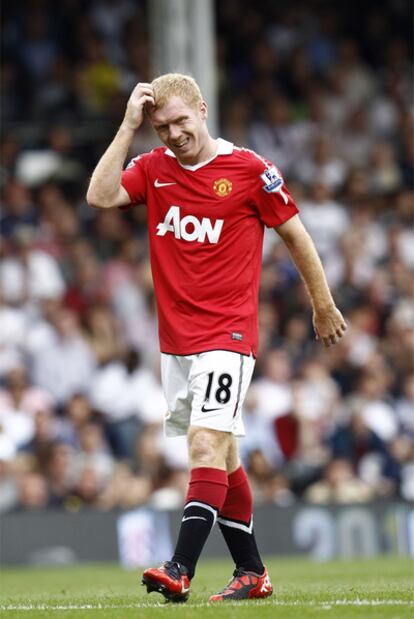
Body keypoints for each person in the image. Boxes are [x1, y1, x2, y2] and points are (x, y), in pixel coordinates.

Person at [87, 74, 347, 603]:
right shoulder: (154, 168)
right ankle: (252, 572)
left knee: (203, 442)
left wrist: (322, 305)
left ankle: (180, 567)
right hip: (176, 343)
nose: (174, 134)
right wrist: (128, 124)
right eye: (161, 126)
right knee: (221, 456)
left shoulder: (250, 170)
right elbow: (100, 195)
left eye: (182, 121)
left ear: (203, 110)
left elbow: (295, 234)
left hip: (228, 334)